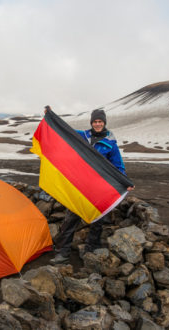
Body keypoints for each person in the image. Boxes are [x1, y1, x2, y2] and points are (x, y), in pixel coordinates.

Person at [49, 108, 134, 264]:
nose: (97, 124)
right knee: (70, 218)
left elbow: (118, 166)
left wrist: (125, 182)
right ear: (91, 122)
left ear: (104, 122)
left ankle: (90, 251)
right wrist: (51, 116)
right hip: (79, 187)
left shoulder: (110, 144)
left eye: (100, 121)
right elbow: (64, 131)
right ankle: (62, 252)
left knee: (97, 220)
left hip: (98, 190)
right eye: (95, 121)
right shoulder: (83, 136)